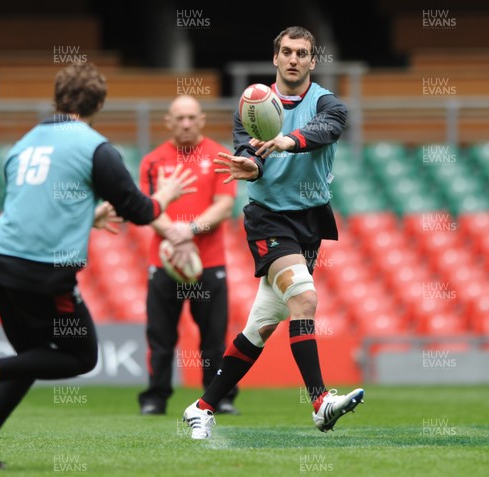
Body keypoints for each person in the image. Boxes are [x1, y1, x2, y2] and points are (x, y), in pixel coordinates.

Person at [0, 63, 196, 469]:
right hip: (43, 273)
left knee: (31, 356)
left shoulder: (24, 143)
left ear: (57, 98)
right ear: (99, 103)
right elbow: (138, 211)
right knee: (81, 356)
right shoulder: (96, 147)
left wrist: (86, 216)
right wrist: (165, 196)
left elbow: (33, 201)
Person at [183, 26, 365, 439]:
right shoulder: (252, 103)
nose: (294, 58)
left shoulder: (328, 104)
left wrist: (287, 140)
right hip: (269, 218)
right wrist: (252, 164)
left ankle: (202, 406)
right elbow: (248, 149)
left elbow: (327, 131)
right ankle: (320, 403)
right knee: (304, 298)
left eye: (302, 52)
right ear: (276, 58)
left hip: (310, 222)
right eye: (287, 51)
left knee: (262, 326)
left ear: (313, 60)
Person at [137, 95, 239, 416]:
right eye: (179, 118)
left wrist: (189, 230)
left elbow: (224, 205)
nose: (185, 123)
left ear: (202, 120)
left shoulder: (221, 156)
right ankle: (156, 397)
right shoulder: (152, 161)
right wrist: (175, 235)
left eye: (191, 117)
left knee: (213, 338)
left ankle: (218, 397)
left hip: (208, 263)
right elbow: (147, 209)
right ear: (168, 121)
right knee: (160, 336)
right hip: (164, 264)